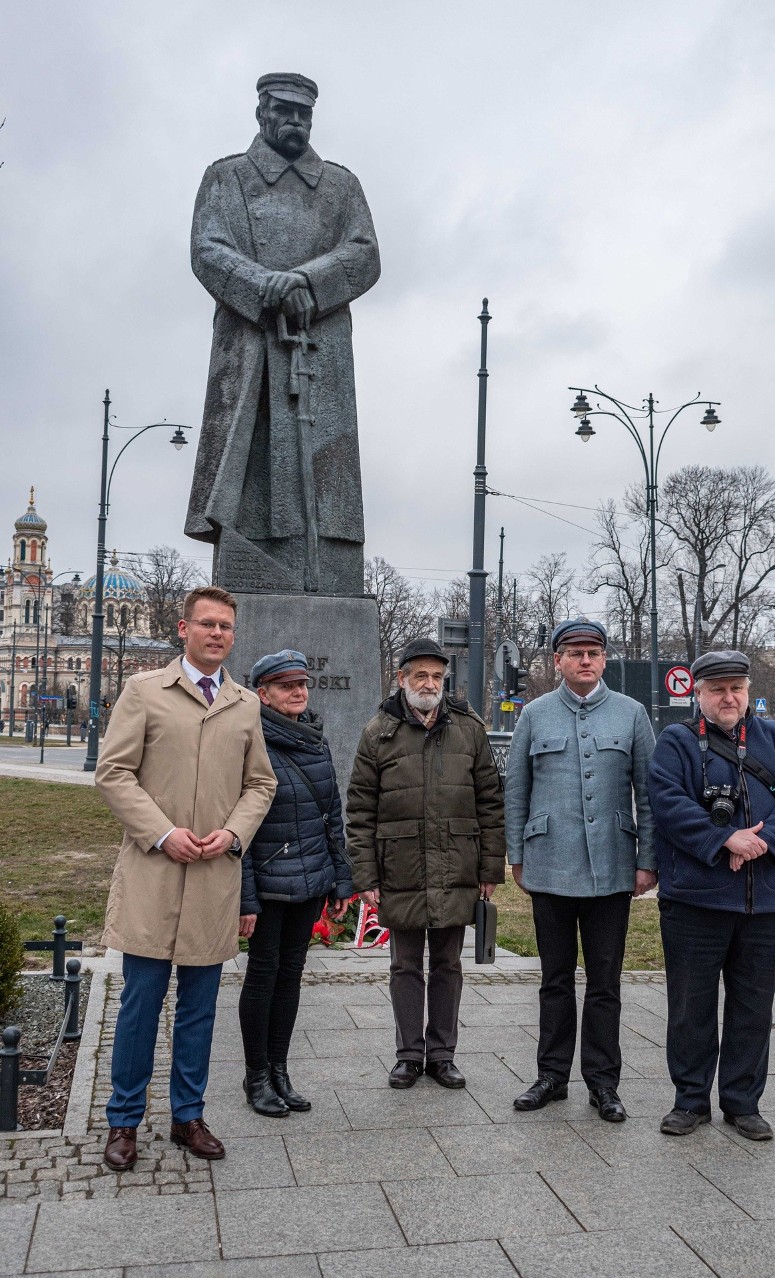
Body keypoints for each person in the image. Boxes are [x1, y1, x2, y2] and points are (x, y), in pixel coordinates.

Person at [95, 586, 277, 1171]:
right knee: (140, 1004)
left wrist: (233, 834)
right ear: (183, 628)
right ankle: (123, 1121)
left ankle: (188, 1117)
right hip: (154, 871)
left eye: (226, 626)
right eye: (207, 624)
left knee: (199, 1009)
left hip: (211, 878)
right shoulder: (144, 691)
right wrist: (162, 832)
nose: (217, 634)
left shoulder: (245, 703)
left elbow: (260, 784)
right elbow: (114, 772)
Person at [185, 72, 381, 596]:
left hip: (322, 351)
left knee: (328, 481)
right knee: (250, 475)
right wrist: (267, 286)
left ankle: (327, 584)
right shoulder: (226, 178)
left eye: (304, 114)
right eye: (285, 111)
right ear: (262, 114)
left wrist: (307, 283)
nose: (296, 122)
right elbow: (208, 249)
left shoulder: (341, 186)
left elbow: (365, 254)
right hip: (250, 348)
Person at [649, 650, 775, 1140]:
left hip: (765, 899)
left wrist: (761, 841)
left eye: (737, 688)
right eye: (718, 689)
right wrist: (723, 839)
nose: (729, 697)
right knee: (690, 1006)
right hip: (695, 900)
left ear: (747, 691)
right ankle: (690, 1100)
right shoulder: (676, 743)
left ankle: (743, 1102)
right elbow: (668, 802)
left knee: (753, 1006)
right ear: (697, 692)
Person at [505, 618, 656, 1120]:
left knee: (605, 983)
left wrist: (647, 861)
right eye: (574, 653)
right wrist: (516, 854)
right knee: (554, 979)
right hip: (550, 865)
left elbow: (648, 795)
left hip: (612, 866)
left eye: (593, 652)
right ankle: (550, 1075)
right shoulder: (536, 714)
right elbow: (517, 790)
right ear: (558, 662)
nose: (585, 660)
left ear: (605, 658)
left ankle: (603, 1082)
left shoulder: (632, 714)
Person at [347, 638, 505, 1089]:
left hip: (457, 864)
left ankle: (442, 1054)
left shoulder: (469, 729)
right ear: (402, 679)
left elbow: (491, 802)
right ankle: (408, 1055)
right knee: (405, 965)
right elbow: (359, 810)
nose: (430, 683)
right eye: (421, 675)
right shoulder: (378, 732)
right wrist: (365, 874)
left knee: (449, 964)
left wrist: (490, 870)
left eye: (437, 676)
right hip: (401, 866)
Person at [237, 648, 353, 1116]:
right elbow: (237, 827)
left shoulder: (314, 738)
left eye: (302, 684)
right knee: (263, 976)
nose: (298, 692)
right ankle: (256, 1076)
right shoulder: (249, 741)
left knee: (290, 976)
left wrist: (340, 880)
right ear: (262, 694)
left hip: (311, 881)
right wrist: (245, 898)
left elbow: (332, 816)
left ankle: (280, 1070)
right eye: (286, 686)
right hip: (267, 883)